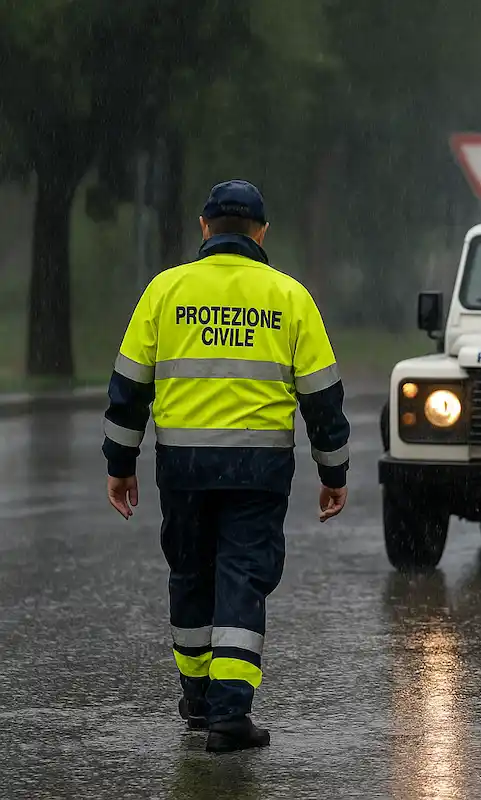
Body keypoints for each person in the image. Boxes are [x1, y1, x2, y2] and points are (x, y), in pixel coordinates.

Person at [102, 180, 351, 753]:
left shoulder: (165, 291)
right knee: (242, 577)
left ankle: (196, 700)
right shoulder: (290, 298)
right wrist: (333, 472)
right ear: (262, 233)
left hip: (182, 466)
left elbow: (128, 389)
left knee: (191, 572)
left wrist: (120, 463)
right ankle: (229, 715)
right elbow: (322, 398)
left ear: (204, 227)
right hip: (257, 468)